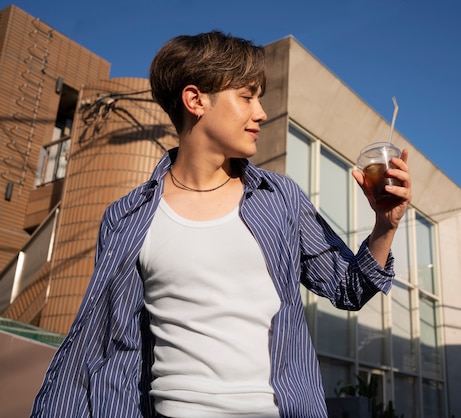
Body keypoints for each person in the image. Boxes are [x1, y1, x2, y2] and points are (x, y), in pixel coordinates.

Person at [30, 30, 411, 417]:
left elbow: (349, 287)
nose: (260, 112)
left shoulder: (279, 199)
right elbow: (109, 346)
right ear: (195, 100)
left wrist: (385, 226)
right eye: (247, 96)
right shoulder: (125, 218)